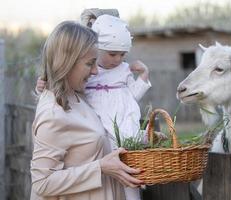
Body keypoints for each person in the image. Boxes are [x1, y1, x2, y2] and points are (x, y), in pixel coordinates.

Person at [35, 13, 151, 200]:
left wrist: (142, 137)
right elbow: (42, 183)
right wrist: (100, 168)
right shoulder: (52, 113)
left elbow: (105, 130)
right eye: (90, 63)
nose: (97, 71)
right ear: (68, 62)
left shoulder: (77, 96)